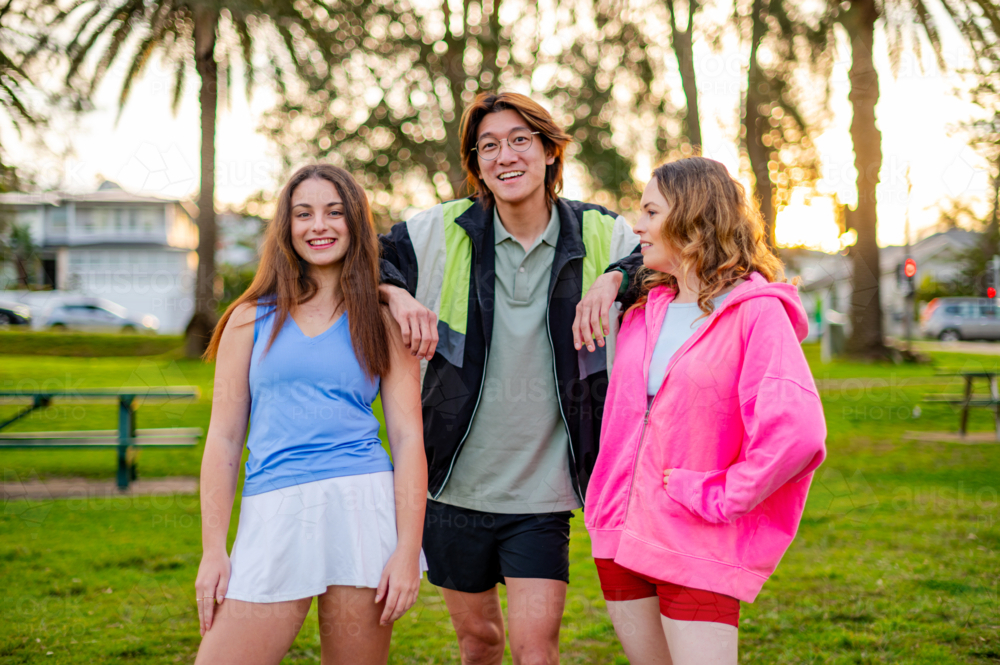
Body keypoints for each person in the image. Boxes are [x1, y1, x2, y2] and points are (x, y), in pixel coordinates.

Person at [377, 91, 641, 665]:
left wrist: (613, 280)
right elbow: (364, 256)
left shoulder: (600, 233)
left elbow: (662, 252)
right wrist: (393, 292)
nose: (506, 156)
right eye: (489, 145)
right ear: (477, 162)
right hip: (451, 487)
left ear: (550, 151)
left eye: (521, 139)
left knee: (535, 649)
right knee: (480, 643)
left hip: (541, 495)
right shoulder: (439, 231)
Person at [583, 157, 827, 664]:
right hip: (619, 537)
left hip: (696, 536)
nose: (638, 226)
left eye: (651, 211)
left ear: (691, 219)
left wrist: (721, 494)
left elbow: (796, 434)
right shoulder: (642, 311)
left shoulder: (756, 312)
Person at [193, 164, 427, 665]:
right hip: (273, 509)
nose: (318, 225)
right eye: (304, 214)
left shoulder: (384, 317)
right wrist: (214, 548)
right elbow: (225, 439)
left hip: (362, 508)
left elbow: (408, 438)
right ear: (287, 227)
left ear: (355, 223)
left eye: (333, 212)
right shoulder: (249, 317)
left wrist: (408, 551)